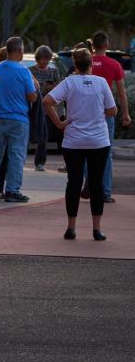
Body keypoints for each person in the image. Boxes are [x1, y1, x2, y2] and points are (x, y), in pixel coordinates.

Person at [43, 48, 116, 241]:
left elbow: (47, 100)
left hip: (74, 140)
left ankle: (71, 227)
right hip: (98, 140)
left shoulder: (69, 82)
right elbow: (112, 111)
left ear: (75, 64)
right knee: (97, 183)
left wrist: (60, 123)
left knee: (73, 183)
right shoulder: (101, 83)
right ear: (91, 63)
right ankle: (97, 229)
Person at [0, 37, 37, 203]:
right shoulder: (24, 71)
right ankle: (12, 190)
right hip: (18, 119)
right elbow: (32, 96)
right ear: (19, 51)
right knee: (16, 156)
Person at [90, 32, 131, 203]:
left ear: (92, 45)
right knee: (106, 153)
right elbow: (121, 93)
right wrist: (126, 114)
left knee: (86, 151)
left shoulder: (86, 62)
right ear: (106, 45)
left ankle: (89, 188)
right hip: (106, 112)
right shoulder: (114, 64)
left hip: (87, 112)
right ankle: (105, 192)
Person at [30, 45, 61, 172]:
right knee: (30, 134)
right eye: (43, 59)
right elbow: (31, 88)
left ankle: (40, 162)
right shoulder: (30, 70)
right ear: (38, 58)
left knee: (44, 136)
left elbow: (59, 87)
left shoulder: (54, 71)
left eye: (48, 59)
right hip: (34, 107)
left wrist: (51, 87)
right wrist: (44, 87)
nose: (45, 62)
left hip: (49, 108)